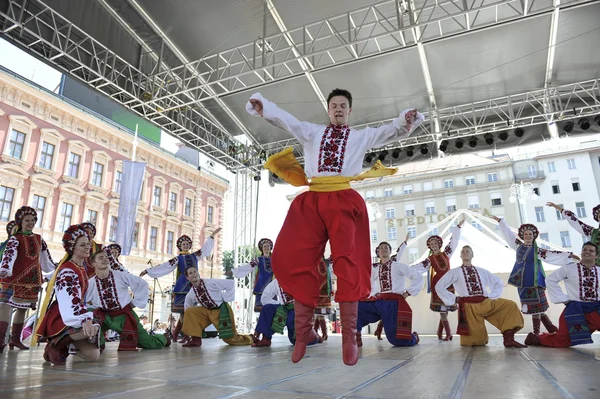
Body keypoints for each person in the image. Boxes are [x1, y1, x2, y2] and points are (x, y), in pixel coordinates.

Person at [247, 88, 424, 366]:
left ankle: (349, 339)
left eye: (343, 105)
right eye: (334, 106)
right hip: (313, 199)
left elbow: (390, 131)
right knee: (295, 257)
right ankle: (303, 334)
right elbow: (286, 120)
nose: (338, 109)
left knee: (348, 261)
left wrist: (405, 119)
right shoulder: (312, 132)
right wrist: (264, 106)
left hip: (343, 198)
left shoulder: (360, 136)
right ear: (328, 110)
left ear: (349, 110)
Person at [492, 216, 575, 336]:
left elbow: (552, 254)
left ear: (533, 236)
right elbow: (509, 236)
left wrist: (570, 256)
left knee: (537, 307)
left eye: (530, 234)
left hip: (535, 283)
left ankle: (536, 332)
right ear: (522, 235)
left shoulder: (538, 251)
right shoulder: (518, 246)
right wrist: (501, 222)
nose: (528, 236)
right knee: (536, 308)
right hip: (522, 283)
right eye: (526, 234)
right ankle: (551, 328)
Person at [435, 245, 527, 348]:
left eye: (468, 251)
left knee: (510, 305)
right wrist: (454, 299)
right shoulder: (454, 272)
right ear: (460, 255)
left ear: (472, 255)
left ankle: (509, 339)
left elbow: (498, 282)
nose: (465, 252)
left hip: (485, 303)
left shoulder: (481, 271)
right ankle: (478, 336)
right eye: (463, 251)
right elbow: (439, 286)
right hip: (468, 307)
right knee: (476, 342)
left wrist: (491, 296)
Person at [36, 225, 101, 365]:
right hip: (62, 316)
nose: (87, 247)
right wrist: (85, 319)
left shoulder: (81, 268)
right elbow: (70, 300)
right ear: (72, 248)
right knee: (91, 328)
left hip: (74, 313)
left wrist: (88, 316)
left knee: (94, 355)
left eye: (88, 244)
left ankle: (67, 347)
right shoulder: (67, 270)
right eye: (82, 245)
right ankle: (55, 344)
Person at [140, 228, 220, 341]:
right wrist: (148, 271)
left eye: (187, 244)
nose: (186, 245)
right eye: (183, 244)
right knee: (183, 311)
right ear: (180, 246)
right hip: (182, 286)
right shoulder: (178, 259)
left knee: (191, 312)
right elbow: (165, 266)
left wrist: (212, 236)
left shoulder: (195, 255)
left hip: (194, 286)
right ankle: (186, 334)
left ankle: (178, 333)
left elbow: (205, 249)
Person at [85, 248, 170, 351]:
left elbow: (142, 284)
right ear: (94, 263)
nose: (105, 259)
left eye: (106, 257)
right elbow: (82, 300)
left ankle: (163, 338)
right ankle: (98, 345)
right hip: (105, 316)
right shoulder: (91, 283)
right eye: (101, 258)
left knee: (149, 344)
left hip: (124, 315)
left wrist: (134, 303)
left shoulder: (120, 276)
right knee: (91, 320)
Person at [397, 220, 465, 341]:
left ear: (439, 244)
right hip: (438, 283)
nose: (433, 245)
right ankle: (448, 334)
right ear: (430, 246)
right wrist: (403, 270)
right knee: (442, 308)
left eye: (435, 243)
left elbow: (453, 241)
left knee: (445, 308)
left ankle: (440, 332)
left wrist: (458, 228)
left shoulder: (447, 253)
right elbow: (417, 268)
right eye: (431, 244)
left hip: (448, 282)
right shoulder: (429, 259)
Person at [0, 206, 56, 352]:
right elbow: (9, 255)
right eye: (27, 221)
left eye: (32, 220)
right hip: (13, 277)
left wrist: (55, 269)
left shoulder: (39, 239)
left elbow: (46, 259)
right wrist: (5, 269)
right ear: (21, 222)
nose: (30, 223)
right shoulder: (15, 239)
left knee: (22, 308)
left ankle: (15, 339)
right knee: (5, 305)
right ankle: (0, 339)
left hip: (31, 279)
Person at [526, 242, 600, 347]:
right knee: (563, 341)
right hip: (576, 309)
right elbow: (550, 279)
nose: (587, 252)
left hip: (596, 309)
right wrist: (564, 299)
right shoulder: (569, 268)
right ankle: (536, 339)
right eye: (585, 250)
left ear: (596, 256)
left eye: (591, 251)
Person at [357, 241, 423, 347]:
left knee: (396, 341)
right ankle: (356, 336)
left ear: (390, 251)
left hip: (393, 303)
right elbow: (367, 282)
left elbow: (417, 277)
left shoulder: (398, 266)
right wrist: (371, 295)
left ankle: (414, 338)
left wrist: (407, 292)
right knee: (357, 307)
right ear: (377, 252)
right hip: (378, 301)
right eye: (381, 248)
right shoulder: (374, 268)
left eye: (386, 248)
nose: (383, 249)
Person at [180, 267, 255, 347]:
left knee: (231, 339)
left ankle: (251, 338)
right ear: (187, 278)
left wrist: (225, 298)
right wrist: (187, 330)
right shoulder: (191, 294)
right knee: (190, 311)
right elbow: (186, 309)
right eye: (191, 273)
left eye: (195, 271)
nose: (194, 274)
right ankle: (196, 339)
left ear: (198, 273)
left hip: (221, 310)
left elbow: (230, 283)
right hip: (207, 312)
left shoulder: (210, 282)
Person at [252, 277, 322, 347]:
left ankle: (315, 337)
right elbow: (265, 298)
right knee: (267, 308)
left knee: (297, 341)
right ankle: (266, 339)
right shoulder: (278, 281)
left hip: (298, 312)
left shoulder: (303, 278)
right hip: (283, 309)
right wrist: (281, 305)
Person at [232, 238, 274, 311]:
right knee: (260, 308)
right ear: (262, 248)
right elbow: (249, 266)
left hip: (272, 285)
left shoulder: (275, 259)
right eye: (265, 246)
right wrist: (237, 271)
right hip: (261, 285)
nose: (266, 248)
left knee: (272, 307)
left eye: (268, 246)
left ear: (270, 248)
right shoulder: (258, 259)